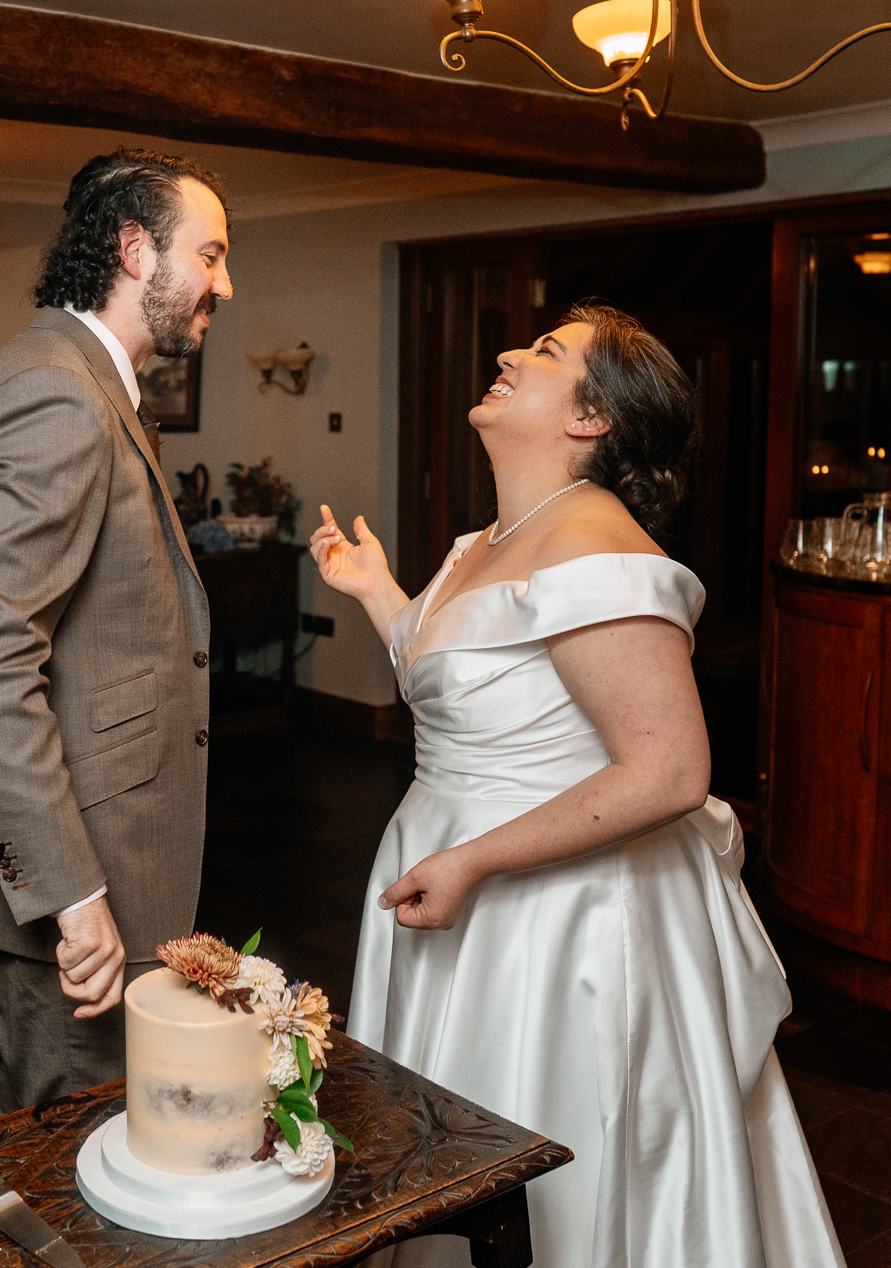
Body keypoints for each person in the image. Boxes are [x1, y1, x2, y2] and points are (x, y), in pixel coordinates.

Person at [311, 304, 843, 1268]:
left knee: (551, 1143)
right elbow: (469, 688)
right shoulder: (484, 542)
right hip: (453, 880)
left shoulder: (597, 544)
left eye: (547, 352)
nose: (509, 352)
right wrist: (380, 592)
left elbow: (672, 770)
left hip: (553, 915)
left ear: (593, 417)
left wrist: (473, 860)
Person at [0, 148, 228, 1117]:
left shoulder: (82, 381)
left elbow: (22, 635)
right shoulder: (59, 394)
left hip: (104, 841)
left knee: (68, 1127)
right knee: (61, 1148)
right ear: (133, 249)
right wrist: (78, 900)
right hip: (77, 874)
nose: (224, 282)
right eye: (210, 253)